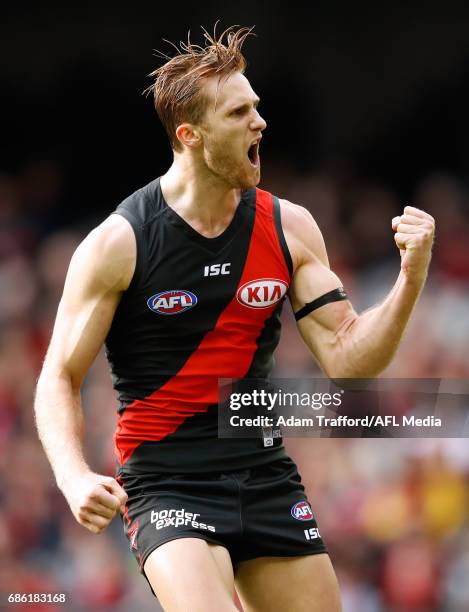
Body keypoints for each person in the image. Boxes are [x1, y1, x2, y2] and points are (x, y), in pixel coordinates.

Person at [34, 25, 435, 612]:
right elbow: (58, 377)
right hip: (167, 483)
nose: (260, 123)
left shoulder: (288, 226)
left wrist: (410, 279)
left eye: (258, 108)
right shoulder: (119, 243)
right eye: (239, 112)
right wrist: (72, 476)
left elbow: (351, 360)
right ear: (192, 136)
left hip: (266, 474)